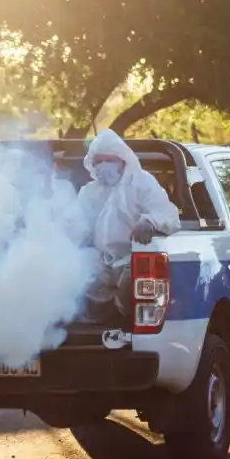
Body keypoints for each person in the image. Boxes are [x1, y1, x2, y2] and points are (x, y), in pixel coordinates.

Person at [72, 131, 181, 320]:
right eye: (99, 161)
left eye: (110, 159)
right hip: (102, 260)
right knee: (75, 271)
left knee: (134, 282)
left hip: (132, 259)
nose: (104, 166)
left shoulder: (142, 183)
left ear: (123, 161)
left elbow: (166, 212)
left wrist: (149, 222)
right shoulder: (88, 193)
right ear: (92, 164)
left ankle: (124, 317)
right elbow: (76, 226)